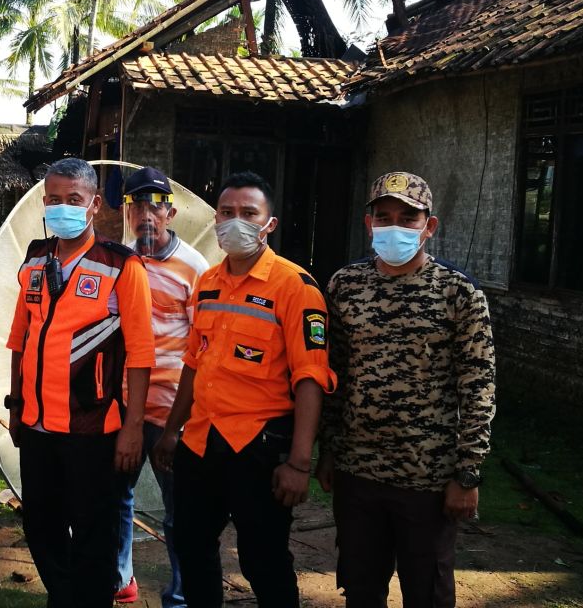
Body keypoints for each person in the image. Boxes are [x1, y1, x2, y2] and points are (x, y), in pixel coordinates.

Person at [152, 170, 337, 608]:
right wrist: (171, 430)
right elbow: (194, 364)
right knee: (192, 545)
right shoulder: (209, 282)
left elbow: (311, 378)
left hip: (257, 446)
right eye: (227, 212)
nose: (236, 221)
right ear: (215, 219)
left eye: (248, 213)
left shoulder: (295, 287)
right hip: (201, 441)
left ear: (268, 224)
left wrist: (298, 462)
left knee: (263, 559)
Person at [318, 172, 496, 608]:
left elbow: (479, 385)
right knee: (361, 588)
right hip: (358, 472)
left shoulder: (459, 294)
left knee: (428, 592)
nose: (394, 225)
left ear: (429, 226)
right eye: (384, 216)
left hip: (428, 478)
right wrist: (328, 451)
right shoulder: (345, 286)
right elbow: (332, 375)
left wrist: (468, 472)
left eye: (408, 217)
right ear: (369, 223)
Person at [5, 157, 155, 608]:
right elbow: (19, 338)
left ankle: (85, 599)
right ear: (43, 202)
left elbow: (141, 354)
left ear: (92, 205)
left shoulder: (120, 265)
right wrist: (15, 407)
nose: (62, 207)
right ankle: (67, 598)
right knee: (40, 525)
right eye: (54, 199)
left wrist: (132, 428)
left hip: (94, 427)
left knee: (94, 532)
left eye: (74, 199)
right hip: (35, 425)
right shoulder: (35, 259)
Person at [113, 167, 208, 607]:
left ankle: (181, 595)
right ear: (126, 213)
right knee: (117, 499)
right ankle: (120, 579)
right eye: (137, 207)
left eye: (156, 207)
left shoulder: (195, 269)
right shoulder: (121, 261)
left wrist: (180, 423)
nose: (146, 216)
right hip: (124, 406)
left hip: (173, 412)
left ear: (170, 212)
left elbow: (202, 349)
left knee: (180, 514)